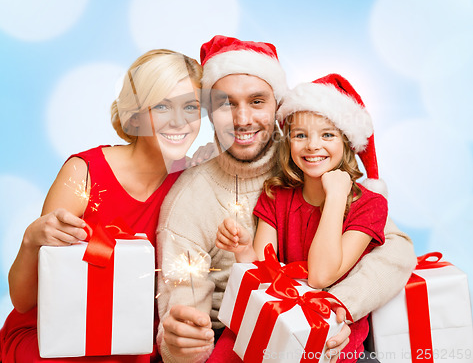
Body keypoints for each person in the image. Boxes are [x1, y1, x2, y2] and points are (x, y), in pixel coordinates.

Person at [156, 35, 416, 363]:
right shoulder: (193, 198)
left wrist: (334, 307)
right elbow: (185, 310)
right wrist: (182, 342)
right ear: (209, 110)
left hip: (330, 329)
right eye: (226, 103)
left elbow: (396, 249)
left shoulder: (312, 167)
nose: (242, 119)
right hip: (244, 332)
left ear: (278, 106)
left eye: (257, 101)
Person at [0, 49, 202, 363]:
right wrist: (30, 241)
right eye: (162, 105)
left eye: (191, 106)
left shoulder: (193, 182)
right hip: (56, 339)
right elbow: (24, 301)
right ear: (135, 115)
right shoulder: (84, 173)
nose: (179, 121)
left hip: (132, 344)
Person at [216, 74, 390, 362]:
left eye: (327, 135)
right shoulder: (277, 195)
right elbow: (261, 278)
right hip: (278, 320)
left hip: (332, 333)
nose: (312, 145)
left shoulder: (370, 206)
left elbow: (321, 275)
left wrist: (335, 197)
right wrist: (242, 250)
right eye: (300, 135)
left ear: (346, 142)